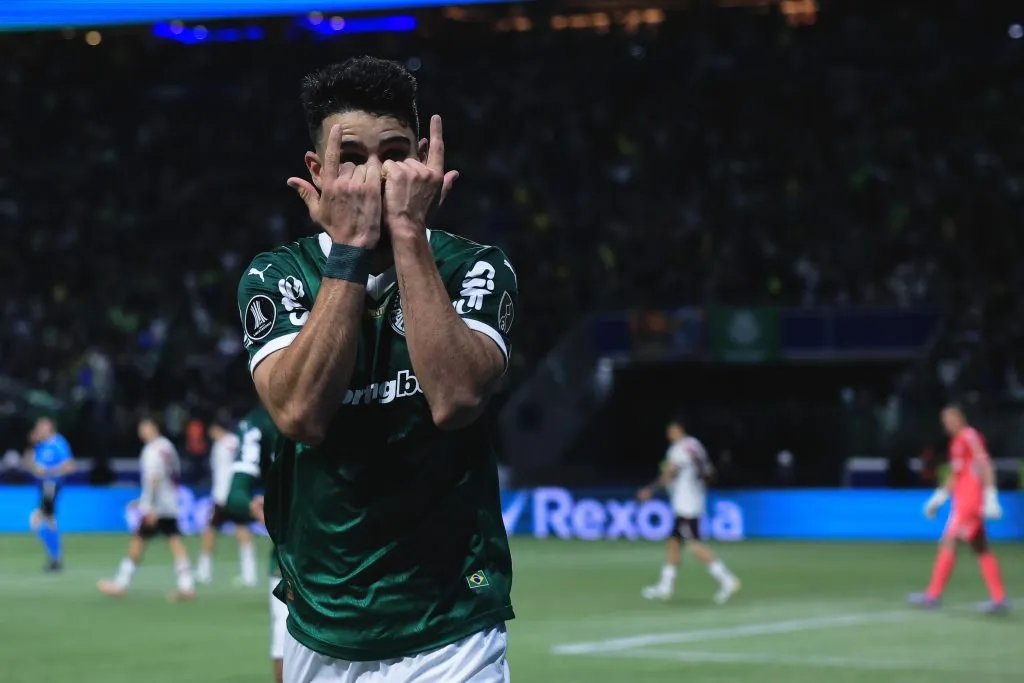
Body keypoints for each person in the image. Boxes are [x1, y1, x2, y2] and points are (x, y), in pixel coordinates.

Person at [236, 56, 517, 683]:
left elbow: (456, 399)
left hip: (452, 625)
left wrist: (409, 236)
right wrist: (352, 254)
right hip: (321, 622)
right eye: (351, 158)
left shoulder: (477, 267)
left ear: (423, 159)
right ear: (317, 171)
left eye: (393, 152)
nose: (375, 174)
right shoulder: (276, 276)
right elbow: (299, 414)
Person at [909, 405, 1008, 613]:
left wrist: (991, 497)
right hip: (962, 501)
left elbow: (985, 464)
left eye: (951, 419)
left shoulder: (970, 436)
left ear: (961, 418)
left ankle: (932, 596)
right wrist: (938, 499)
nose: (948, 424)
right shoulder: (956, 443)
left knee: (949, 542)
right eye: (945, 421)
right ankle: (999, 599)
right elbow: (956, 476)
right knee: (980, 547)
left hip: (969, 503)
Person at [638, 418, 740, 604]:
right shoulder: (696, 446)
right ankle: (665, 586)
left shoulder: (678, 449)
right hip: (694, 498)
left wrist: (650, 489)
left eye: (672, 431)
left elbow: (670, 473)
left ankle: (727, 579)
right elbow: (708, 471)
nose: (669, 435)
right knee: (674, 542)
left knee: (694, 545)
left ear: (679, 431)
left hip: (685, 503)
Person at [97, 417, 196, 601]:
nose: (141, 432)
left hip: (156, 506)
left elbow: (153, 479)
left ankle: (121, 583)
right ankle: (187, 585)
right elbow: (175, 473)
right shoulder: (168, 446)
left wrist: (148, 506)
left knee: (138, 541)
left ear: (153, 428)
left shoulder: (151, 451)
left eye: (144, 427)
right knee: (174, 541)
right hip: (170, 501)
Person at [225, 405, 284, 683]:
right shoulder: (259, 423)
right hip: (291, 563)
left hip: (364, 552)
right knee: (285, 645)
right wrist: (255, 508)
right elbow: (235, 494)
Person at [196, 415, 258, 587]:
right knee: (242, 530)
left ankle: (204, 571)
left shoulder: (220, 445)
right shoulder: (236, 441)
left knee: (210, 532)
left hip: (222, 496)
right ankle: (249, 574)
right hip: (236, 493)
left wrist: (219, 496)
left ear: (217, 429)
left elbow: (222, 474)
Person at [23, 417, 75, 571]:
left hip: (51, 486)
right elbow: (31, 466)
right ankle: (55, 558)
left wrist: (48, 472)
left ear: (50, 428)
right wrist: (31, 446)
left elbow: (69, 466)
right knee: (50, 521)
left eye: (42, 427)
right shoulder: (40, 446)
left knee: (35, 520)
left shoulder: (59, 443)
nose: (39, 430)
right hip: (43, 487)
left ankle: (55, 555)